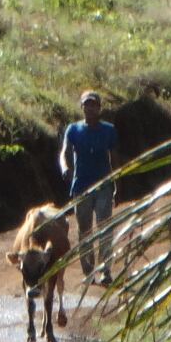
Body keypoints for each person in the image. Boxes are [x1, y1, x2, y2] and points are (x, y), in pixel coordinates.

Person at [59, 90, 119, 284]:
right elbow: (64, 152)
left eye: (93, 104)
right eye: (86, 104)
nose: (90, 108)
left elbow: (114, 159)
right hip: (81, 187)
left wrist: (117, 183)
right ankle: (88, 272)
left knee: (105, 229)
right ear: (81, 107)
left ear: (99, 108)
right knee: (84, 231)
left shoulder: (109, 130)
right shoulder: (73, 130)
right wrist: (65, 167)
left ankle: (105, 271)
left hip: (103, 186)